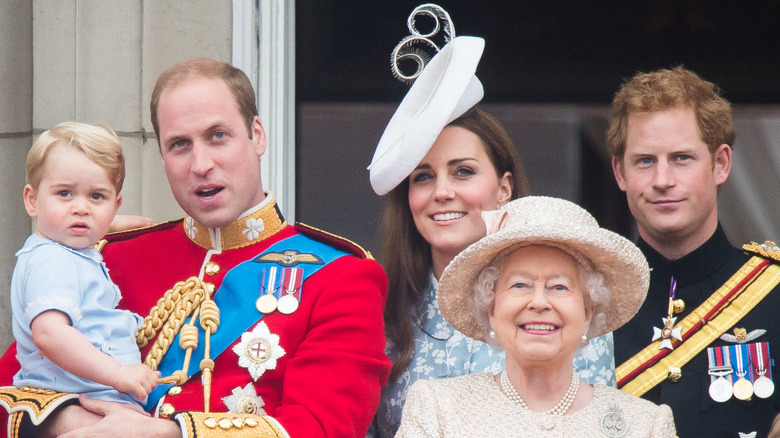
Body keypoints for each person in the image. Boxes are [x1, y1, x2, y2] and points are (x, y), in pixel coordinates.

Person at [0, 58, 391, 438]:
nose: (201, 163)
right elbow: (15, 383)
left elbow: (324, 429)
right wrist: (68, 424)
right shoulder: (108, 258)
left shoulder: (339, 275)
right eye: (180, 145)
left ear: (257, 135)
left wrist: (166, 433)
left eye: (217, 136)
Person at [368, 32, 615, 437]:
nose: (442, 191)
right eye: (423, 177)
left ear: (504, 189)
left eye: (463, 171)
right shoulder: (382, 313)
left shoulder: (565, 303)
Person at [395, 196, 675, 437]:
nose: (539, 302)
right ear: (491, 309)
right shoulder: (437, 409)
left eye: (559, 287)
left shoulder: (645, 425)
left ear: (588, 312)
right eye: (520, 285)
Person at [608, 66, 780, 437]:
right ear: (620, 173)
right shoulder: (588, 298)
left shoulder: (773, 289)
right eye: (645, 161)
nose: (663, 180)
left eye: (681, 158)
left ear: (720, 164)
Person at [10, 122, 159, 408]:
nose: (81, 208)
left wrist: (108, 224)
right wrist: (117, 373)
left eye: (96, 197)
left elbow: (81, 220)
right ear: (32, 200)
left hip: (89, 392)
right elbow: (50, 333)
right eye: (64, 193)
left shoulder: (63, 248)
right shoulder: (53, 260)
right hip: (84, 398)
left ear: (115, 206)